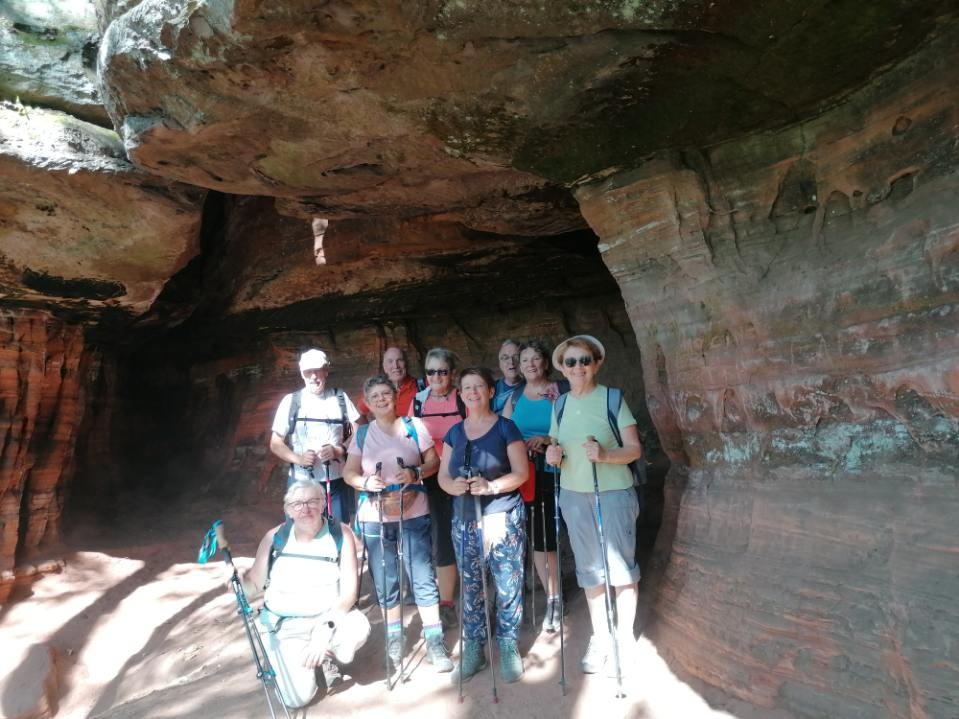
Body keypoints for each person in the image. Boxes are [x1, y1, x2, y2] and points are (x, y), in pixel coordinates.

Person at [544, 335, 643, 676]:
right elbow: (556, 448)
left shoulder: (612, 399)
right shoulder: (559, 405)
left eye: (584, 360)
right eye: (570, 362)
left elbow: (634, 449)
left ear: (596, 363)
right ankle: (602, 637)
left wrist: (605, 455)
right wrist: (551, 455)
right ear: (562, 367)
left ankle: (624, 640)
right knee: (590, 571)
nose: (578, 367)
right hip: (573, 495)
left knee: (621, 568)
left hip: (613, 493)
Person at [343, 375, 454, 674]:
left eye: (385, 394)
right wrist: (366, 482)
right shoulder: (363, 434)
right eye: (375, 396)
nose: (381, 399)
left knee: (422, 577)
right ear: (367, 401)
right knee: (386, 579)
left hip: (414, 511)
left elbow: (434, 462)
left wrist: (416, 473)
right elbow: (349, 472)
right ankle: (395, 636)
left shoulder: (413, 426)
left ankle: (434, 640)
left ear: (394, 396)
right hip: (375, 517)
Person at [237, 480, 370, 709]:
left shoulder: (340, 534)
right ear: (288, 510)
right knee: (296, 700)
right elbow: (255, 586)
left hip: (326, 619)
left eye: (311, 502)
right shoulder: (274, 538)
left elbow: (348, 594)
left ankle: (326, 655)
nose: (305, 509)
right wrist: (239, 584)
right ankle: (304, 661)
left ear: (322, 505)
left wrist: (322, 634)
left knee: (357, 630)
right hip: (285, 626)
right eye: (297, 504)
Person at [438, 367, 529, 683]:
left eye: (479, 386)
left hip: (502, 515)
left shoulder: (506, 427)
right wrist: (456, 487)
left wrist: (490, 487)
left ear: (491, 391)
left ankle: (507, 643)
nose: (472, 392)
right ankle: (474, 647)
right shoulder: (454, 432)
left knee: (507, 582)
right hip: (464, 518)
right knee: (472, 583)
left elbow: (521, 473)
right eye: (466, 387)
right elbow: (442, 477)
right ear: (460, 394)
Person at [501, 340, 566, 632]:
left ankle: (567, 591)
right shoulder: (513, 397)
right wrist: (517, 450)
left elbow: (574, 429)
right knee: (539, 537)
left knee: (561, 532)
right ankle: (553, 597)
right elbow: (502, 435)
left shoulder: (560, 391)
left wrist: (548, 440)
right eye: (524, 359)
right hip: (527, 473)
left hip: (561, 470)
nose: (529, 364)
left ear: (545, 363)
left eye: (535, 358)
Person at [408, 347, 465, 631]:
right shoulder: (418, 403)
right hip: (431, 476)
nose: (437, 377)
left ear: (451, 373)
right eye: (431, 371)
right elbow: (409, 439)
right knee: (442, 535)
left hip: (462, 475)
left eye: (442, 371)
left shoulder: (463, 397)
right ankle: (446, 603)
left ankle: (478, 592)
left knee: (470, 532)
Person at [270, 349, 360, 526]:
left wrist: (339, 449)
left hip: (335, 481)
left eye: (317, 370)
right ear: (302, 374)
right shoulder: (291, 401)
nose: (313, 377)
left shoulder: (339, 398)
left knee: (338, 532)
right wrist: (299, 458)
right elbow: (275, 443)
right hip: (301, 483)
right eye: (308, 372)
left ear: (326, 371)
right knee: (300, 532)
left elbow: (358, 431)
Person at [356, 347, 423, 424]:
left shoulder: (421, 387)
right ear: (384, 367)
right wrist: (368, 432)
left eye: (400, 360)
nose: (396, 366)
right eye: (390, 361)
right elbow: (359, 413)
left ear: (406, 364)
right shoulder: (375, 389)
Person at [491, 339, 522, 414]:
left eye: (516, 357)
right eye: (505, 358)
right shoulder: (492, 388)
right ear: (500, 363)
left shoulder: (529, 388)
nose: (511, 362)